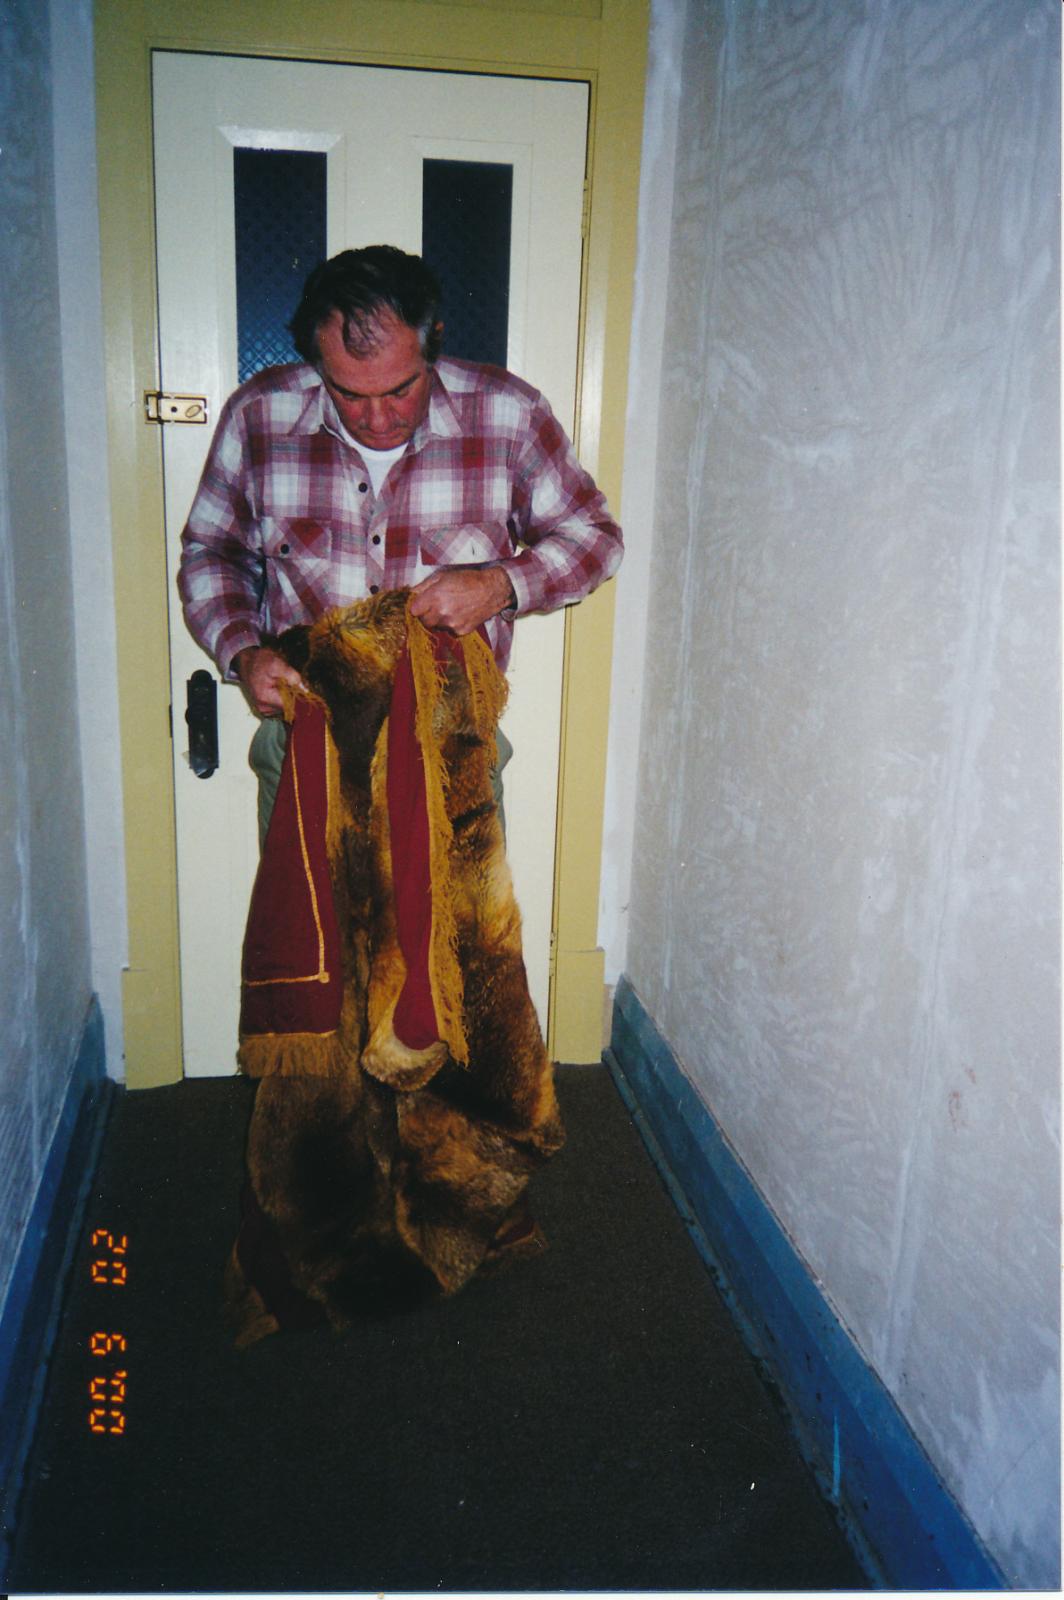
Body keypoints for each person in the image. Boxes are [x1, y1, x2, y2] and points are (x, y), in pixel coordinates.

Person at [178, 243, 623, 833]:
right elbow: (213, 553)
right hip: (306, 749)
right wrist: (243, 653)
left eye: (399, 390)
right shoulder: (258, 416)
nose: (377, 419)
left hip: (452, 757)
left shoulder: (507, 414)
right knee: (303, 929)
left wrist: (499, 585)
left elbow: (594, 536)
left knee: (454, 930)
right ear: (316, 362)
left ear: (432, 344)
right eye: (349, 394)